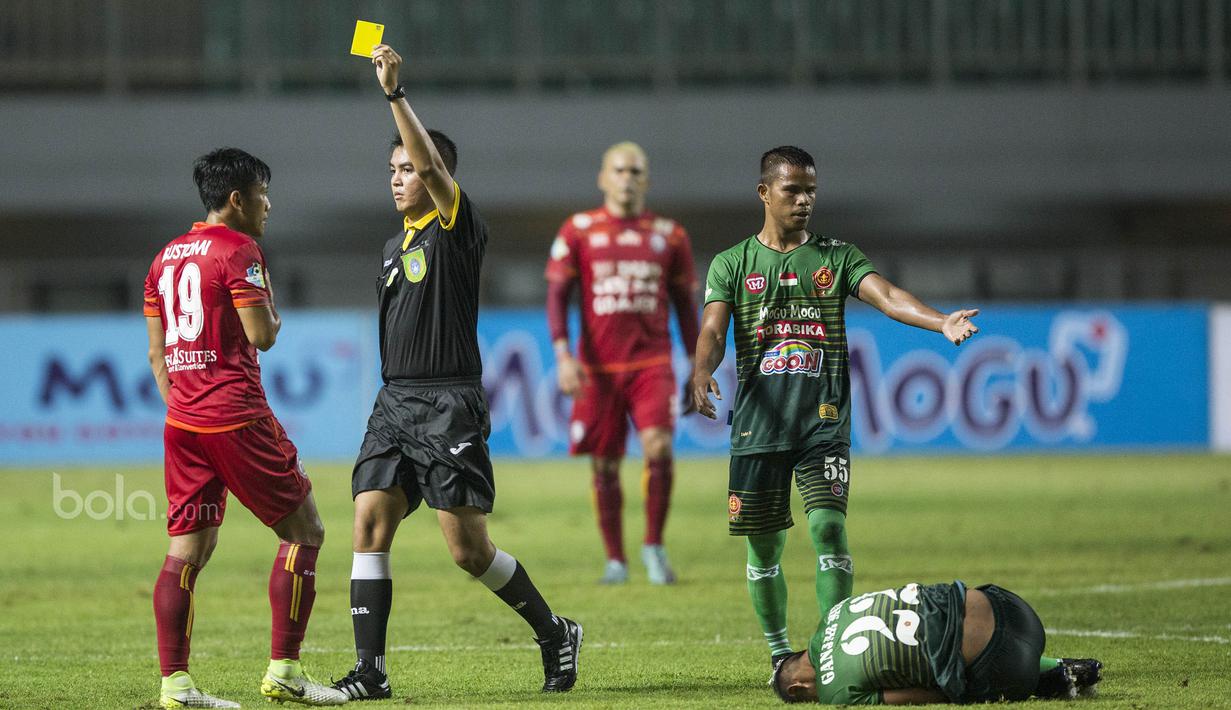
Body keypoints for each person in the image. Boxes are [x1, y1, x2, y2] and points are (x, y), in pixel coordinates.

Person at [330, 45, 581, 701]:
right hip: (395, 404)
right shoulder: (392, 248)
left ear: (436, 177)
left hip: (448, 405)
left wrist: (394, 93)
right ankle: (371, 671)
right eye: (391, 168)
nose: (397, 178)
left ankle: (554, 631)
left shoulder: (456, 226)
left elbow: (436, 167)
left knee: (468, 551)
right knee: (367, 524)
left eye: (408, 169)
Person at [692, 146, 980, 667]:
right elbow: (713, 328)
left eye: (811, 192)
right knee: (763, 550)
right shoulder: (732, 263)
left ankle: (830, 648)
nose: (805, 201)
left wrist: (941, 321)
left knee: (828, 527)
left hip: (822, 422)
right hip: (758, 425)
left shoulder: (835, 256)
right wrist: (700, 369)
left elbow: (888, 295)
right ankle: (781, 655)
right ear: (764, 193)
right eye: (793, 190)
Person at [142, 148, 347, 707]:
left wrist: (187, 407)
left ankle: (176, 685)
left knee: (186, 553)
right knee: (305, 533)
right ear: (237, 199)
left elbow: (158, 356)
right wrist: (273, 308)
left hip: (182, 423)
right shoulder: (238, 250)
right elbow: (263, 335)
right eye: (262, 194)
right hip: (236, 417)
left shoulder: (163, 259)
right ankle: (284, 671)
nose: (268, 205)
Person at [545, 141, 700, 585]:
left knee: (659, 449)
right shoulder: (578, 230)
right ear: (602, 177)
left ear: (646, 180)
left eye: (635, 171)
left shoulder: (670, 235)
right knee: (605, 465)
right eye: (619, 170)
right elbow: (557, 295)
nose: (627, 178)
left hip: (652, 363)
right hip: (597, 370)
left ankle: (653, 546)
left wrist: (696, 364)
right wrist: (563, 355)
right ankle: (616, 559)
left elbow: (685, 306)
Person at [770, 581, 1104, 704]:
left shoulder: (834, 693)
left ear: (799, 688)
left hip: (1005, 665)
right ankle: (1055, 666)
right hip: (1012, 606)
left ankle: (1048, 676)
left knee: (955, 681)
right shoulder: (835, 613)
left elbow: (923, 696)